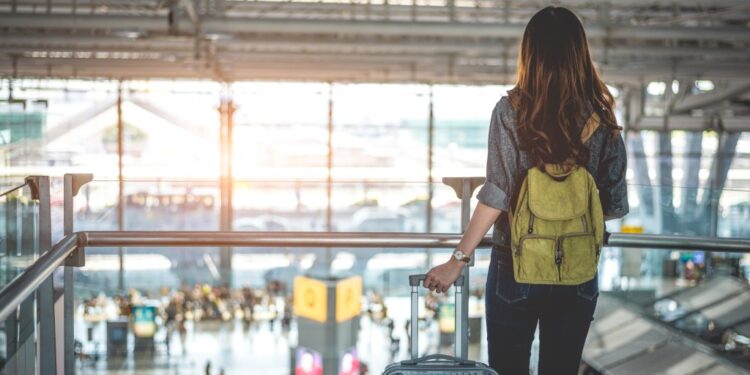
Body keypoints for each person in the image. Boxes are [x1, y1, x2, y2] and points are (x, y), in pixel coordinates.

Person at [423, 6, 628, 374]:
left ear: (529, 54)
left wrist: (457, 260)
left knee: (507, 369)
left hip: (515, 264)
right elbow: (613, 204)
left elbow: (497, 193)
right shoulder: (603, 118)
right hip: (578, 269)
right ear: (580, 54)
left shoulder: (510, 111)